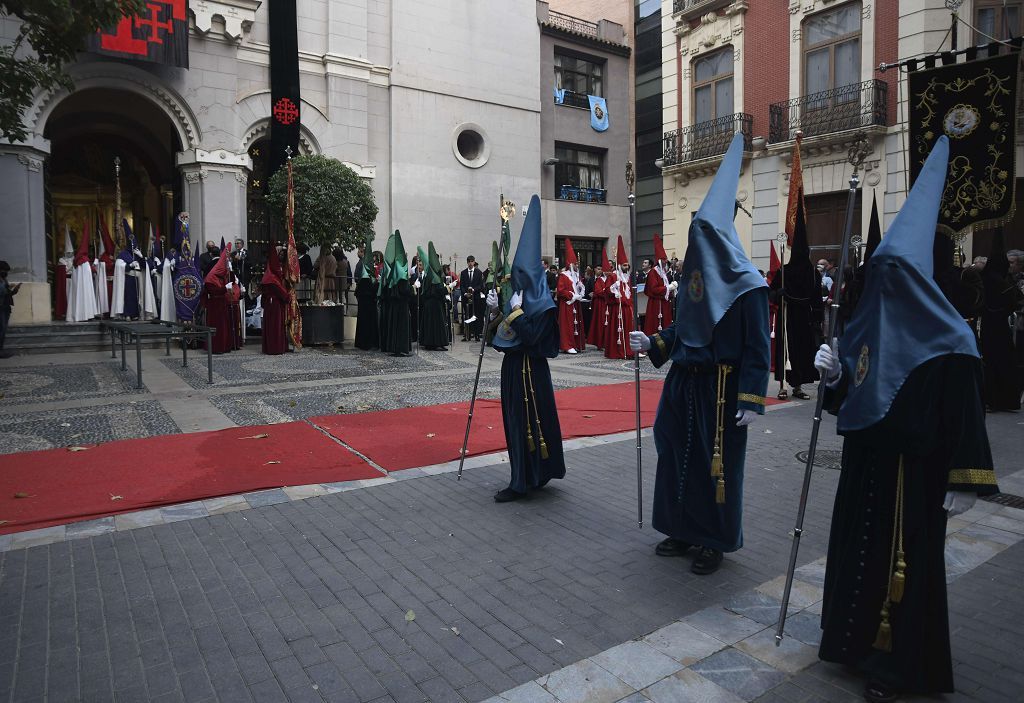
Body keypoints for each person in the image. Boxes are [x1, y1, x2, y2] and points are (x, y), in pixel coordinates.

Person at [813, 136, 997, 703]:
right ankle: (850, 645)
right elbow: (850, 402)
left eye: (894, 276)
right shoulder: (866, 330)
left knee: (905, 572)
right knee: (857, 561)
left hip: (911, 481)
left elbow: (966, 421)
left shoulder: (954, 343)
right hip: (865, 467)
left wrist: (965, 481)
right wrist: (833, 378)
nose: (882, 287)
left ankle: (897, 666)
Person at [629, 133, 769, 576]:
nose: (698, 243)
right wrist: (654, 343)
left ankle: (714, 539)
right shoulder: (693, 284)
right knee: (674, 456)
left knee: (718, 467)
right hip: (682, 387)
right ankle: (680, 528)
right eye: (696, 234)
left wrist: (751, 396)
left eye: (705, 234)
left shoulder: (749, 287)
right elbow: (682, 329)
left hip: (721, 391)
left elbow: (757, 347)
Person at [487, 195, 565, 502]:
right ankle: (521, 476)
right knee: (515, 423)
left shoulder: (544, 305)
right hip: (513, 369)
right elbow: (502, 335)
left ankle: (532, 476)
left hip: (532, 372)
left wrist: (516, 312)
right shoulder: (517, 296)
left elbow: (532, 337)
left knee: (534, 422)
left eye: (522, 274)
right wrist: (494, 312)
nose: (516, 280)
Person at [769, 198, 823, 399]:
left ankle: (798, 387)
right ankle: (783, 385)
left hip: (804, 319)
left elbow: (817, 297)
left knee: (801, 352)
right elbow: (771, 292)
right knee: (786, 351)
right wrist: (778, 294)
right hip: (788, 316)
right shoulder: (785, 270)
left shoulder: (812, 273)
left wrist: (817, 320)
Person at [979, 229, 1024, 411]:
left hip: (990, 326)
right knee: (1004, 362)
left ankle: (992, 399)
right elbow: (1015, 302)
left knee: (990, 362)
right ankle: (1005, 399)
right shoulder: (1004, 283)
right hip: (1001, 327)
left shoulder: (985, 280)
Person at [379, 230, 412, 356]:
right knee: (401, 328)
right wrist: (412, 289)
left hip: (394, 305)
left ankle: (395, 347)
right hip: (401, 305)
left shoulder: (392, 273)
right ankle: (400, 348)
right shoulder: (402, 275)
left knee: (394, 327)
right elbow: (405, 290)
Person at [605, 237, 634, 360]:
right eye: (625, 265)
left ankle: (628, 349)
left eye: (627, 265)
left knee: (628, 330)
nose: (627, 267)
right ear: (620, 265)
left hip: (627, 307)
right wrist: (614, 288)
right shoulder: (613, 276)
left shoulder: (627, 278)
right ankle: (618, 351)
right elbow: (607, 290)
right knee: (618, 330)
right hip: (618, 309)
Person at [556, 239, 586, 354]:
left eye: (578, 264)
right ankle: (567, 345)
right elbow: (561, 291)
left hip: (576, 304)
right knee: (567, 325)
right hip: (567, 304)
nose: (577, 266)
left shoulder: (577, 276)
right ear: (570, 264)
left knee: (576, 323)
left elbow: (579, 288)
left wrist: (580, 288)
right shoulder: (564, 276)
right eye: (575, 264)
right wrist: (572, 295)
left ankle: (576, 343)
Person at [418, 243, 450, 351]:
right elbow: (439, 290)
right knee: (437, 325)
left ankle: (429, 343)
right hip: (435, 304)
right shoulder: (434, 275)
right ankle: (437, 343)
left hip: (429, 304)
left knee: (430, 324)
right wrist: (449, 288)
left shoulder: (429, 274)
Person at [643, 235, 676, 335]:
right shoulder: (654, 272)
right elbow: (653, 289)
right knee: (655, 325)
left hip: (664, 303)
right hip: (656, 304)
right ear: (659, 261)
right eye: (664, 259)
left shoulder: (663, 273)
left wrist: (672, 290)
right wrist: (668, 288)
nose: (666, 261)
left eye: (666, 259)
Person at [202, 249, 233, 354]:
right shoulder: (210, 278)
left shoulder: (220, 277)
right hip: (214, 305)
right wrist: (225, 288)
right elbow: (214, 291)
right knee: (217, 326)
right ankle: (216, 347)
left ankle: (224, 346)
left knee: (224, 326)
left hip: (222, 304)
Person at [260, 246, 288, 355]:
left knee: (274, 326)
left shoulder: (271, 275)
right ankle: (274, 348)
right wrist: (288, 297)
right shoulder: (271, 277)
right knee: (274, 326)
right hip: (274, 304)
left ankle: (274, 347)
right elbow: (280, 291)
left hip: (271, 303)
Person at [459, 255, 484, 341]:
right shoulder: (463, 273)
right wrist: (465, 293)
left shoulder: (479, 272)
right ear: (467, 262)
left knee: (476, 316)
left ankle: (477, 335)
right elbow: (461, 285)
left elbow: (481, 285)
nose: (470, 263)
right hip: (466, 298)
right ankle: (467, 335)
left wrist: (474, 290)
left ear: (474, 262)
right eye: (469, 261)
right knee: (467, 316)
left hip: (476, 297)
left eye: (472, 261)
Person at [587, 259, 609, 351]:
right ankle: (600, 343)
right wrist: (608, 292)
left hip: (607, 304)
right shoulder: (599, 280)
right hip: (600, 304)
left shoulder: (609, 279)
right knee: (601, 323)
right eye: (598, 269)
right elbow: (598, 292)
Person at [0, 261, 21, 357]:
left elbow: (7, 294)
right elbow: (2, 291)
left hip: (5, 306)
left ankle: (1, 349)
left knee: (3, 329)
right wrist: (7, 287)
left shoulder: (4, 280)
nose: (5, 272)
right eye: (4, 270)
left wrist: (14, 290)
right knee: (1, 329)